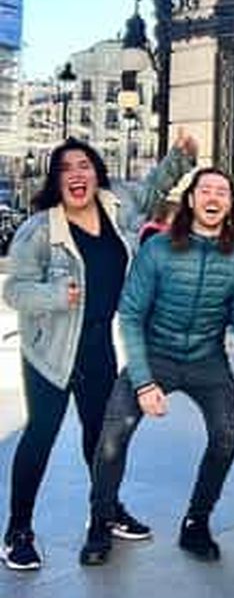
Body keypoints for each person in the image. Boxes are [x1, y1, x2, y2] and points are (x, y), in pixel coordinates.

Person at [1, 134, 196, 571]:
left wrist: (182, 157)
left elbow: (151, 191)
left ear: (96, 173)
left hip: (97, 347)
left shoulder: (116, 205)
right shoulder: (39, 229)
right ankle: (17, 530)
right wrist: (53, 294)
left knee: (103, 438)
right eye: (66, 167)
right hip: (49, 351)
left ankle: (106, 510)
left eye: (84, 165)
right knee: (41, 435)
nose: (77, 173)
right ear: (56, 179)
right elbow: (13, 290)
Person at [79, 167, 234, 567]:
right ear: (191, 200)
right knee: (112, 439)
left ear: (230, 204)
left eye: (222, 192)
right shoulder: (159, 249)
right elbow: (130, 315)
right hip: (155, 356)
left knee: (225, 438)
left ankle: (197, 522)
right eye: (206, 190)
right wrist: (145, 383)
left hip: (207, 361)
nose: (214, 198)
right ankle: (100, 520)